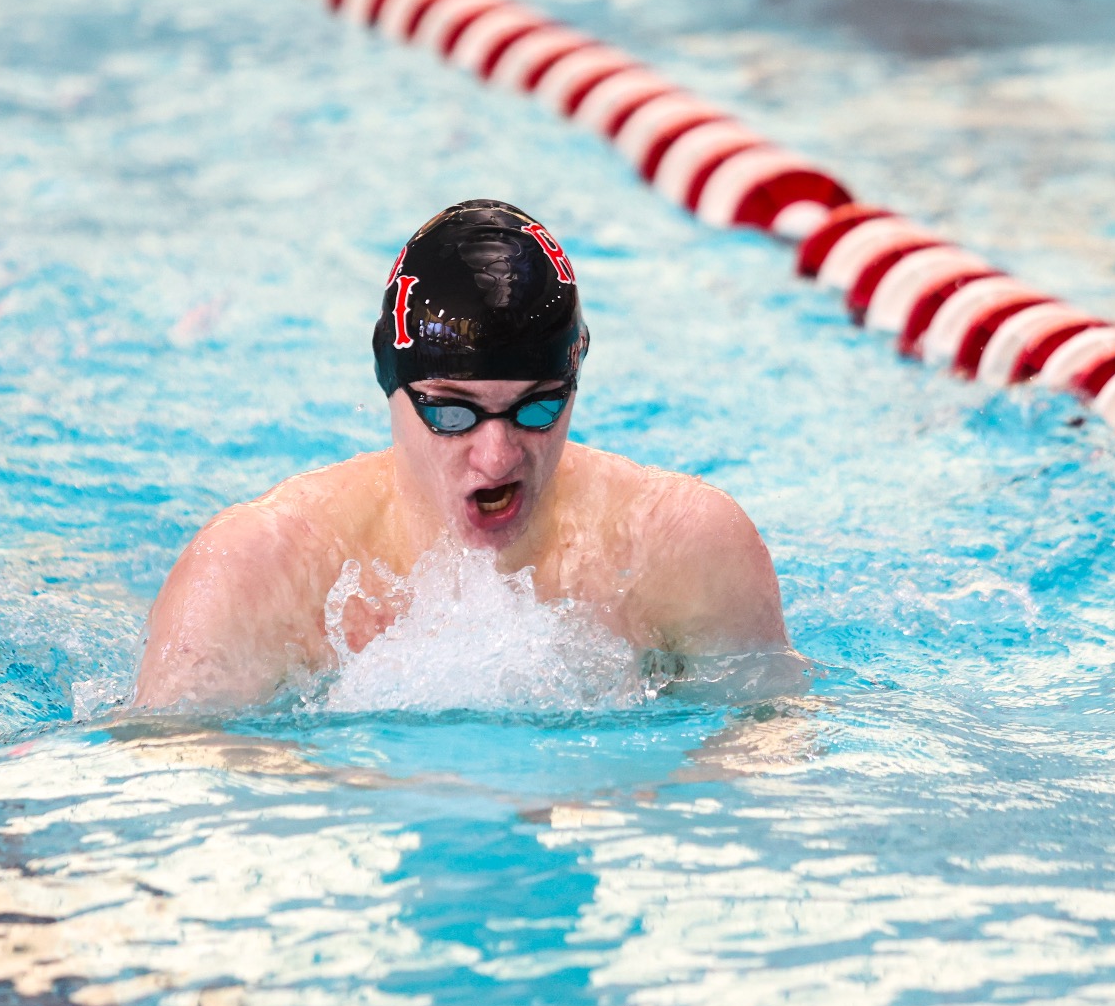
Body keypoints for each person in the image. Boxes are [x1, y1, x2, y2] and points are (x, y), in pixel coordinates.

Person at [133, 199, 798, 710]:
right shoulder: (257, 575)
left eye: (539, 406)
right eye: (452, 412)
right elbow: (169, 797)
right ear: (389, 382)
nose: (498, 455)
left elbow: (767, 765)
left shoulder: (681, 549)